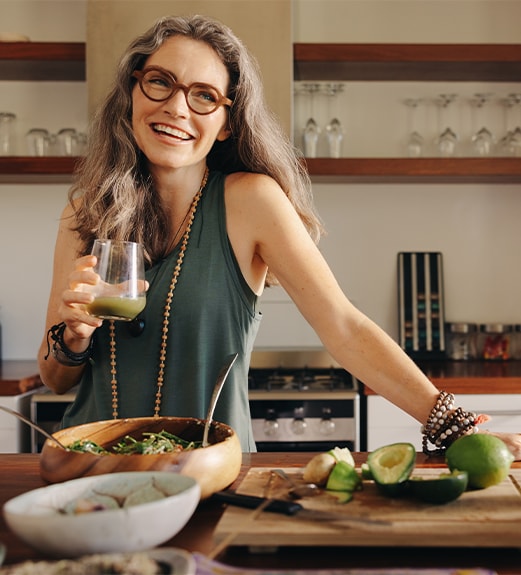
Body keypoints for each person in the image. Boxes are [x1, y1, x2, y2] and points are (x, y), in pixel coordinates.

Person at [37, 14, 521, 459]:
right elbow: (55, 379)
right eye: (160, 82)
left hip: (212, 473)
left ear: (226, 122)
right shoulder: (84, 213)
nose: (177, 107)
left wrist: (454, 425)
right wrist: (74, 336)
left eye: (204, 95)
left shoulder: (252, 202)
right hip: (90, 473)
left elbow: (344, 328)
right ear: (133, 93)